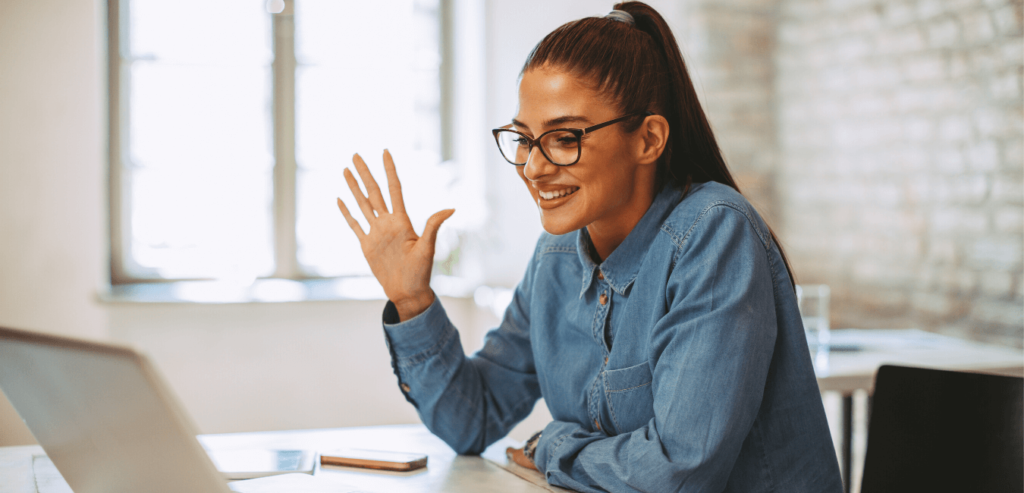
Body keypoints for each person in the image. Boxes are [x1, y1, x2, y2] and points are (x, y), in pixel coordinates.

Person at [335, 2, 843, 491]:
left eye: (564, 138)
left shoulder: (713, 234)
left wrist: (552, 446)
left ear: (648, 140)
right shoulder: (555, 259)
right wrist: (412, 301)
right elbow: (474, 419)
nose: (533, 168)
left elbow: (679, 471)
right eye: (524, 139)